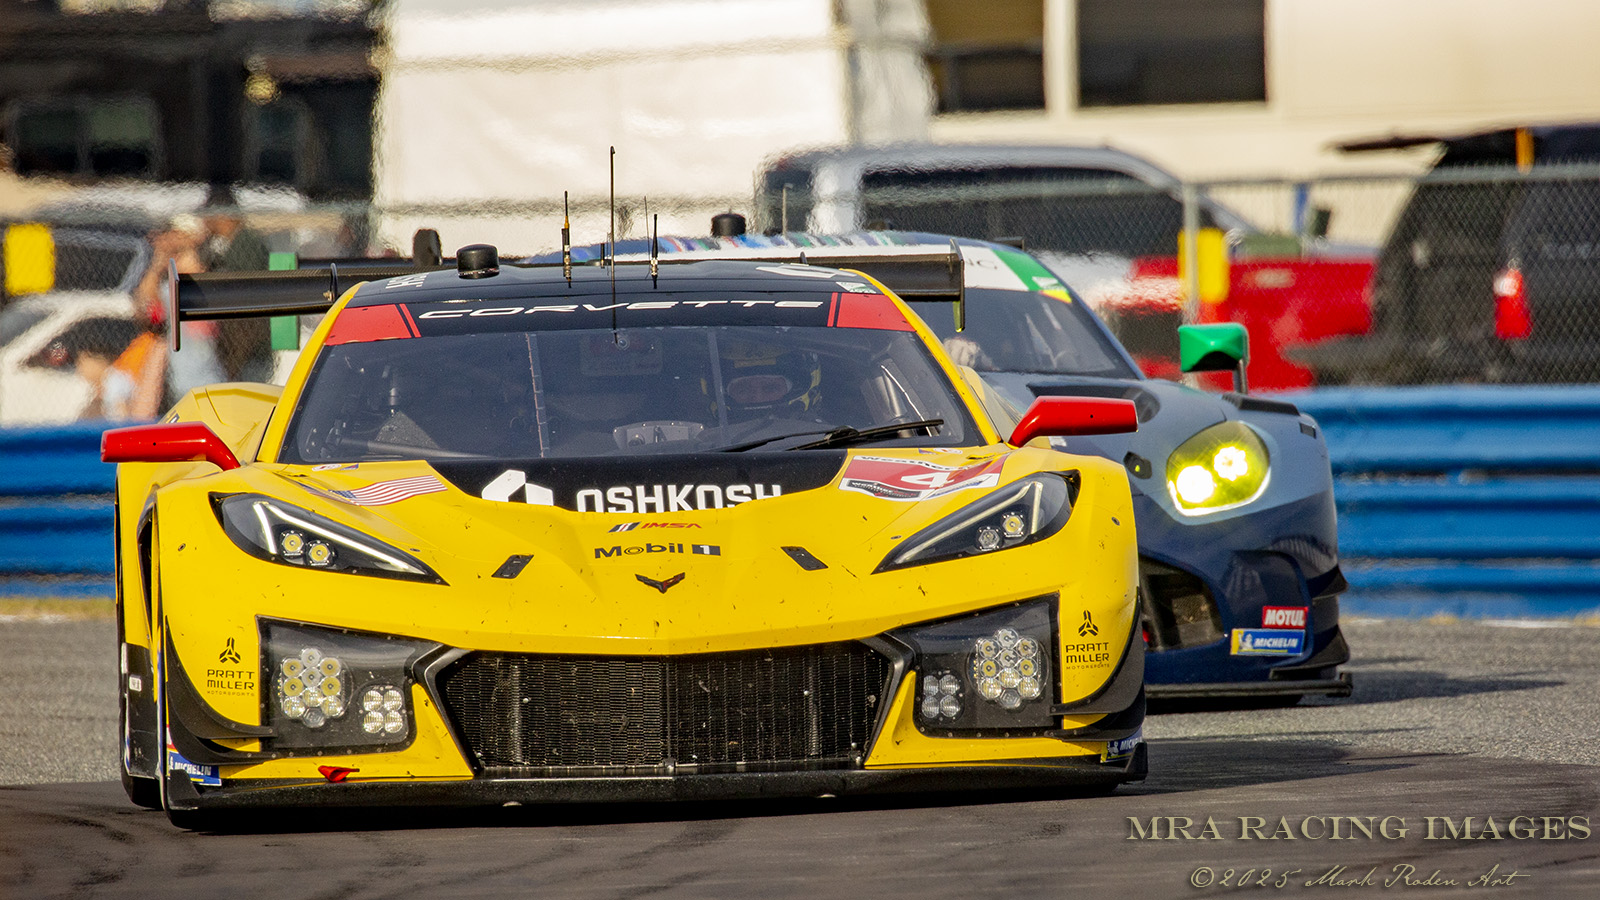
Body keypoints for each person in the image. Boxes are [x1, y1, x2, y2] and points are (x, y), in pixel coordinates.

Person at [198, 185, 274, 384]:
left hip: (253, 349)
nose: (205, 221)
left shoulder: (246, 243)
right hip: (235, 348)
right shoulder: (221, 245)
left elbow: (246, 290)